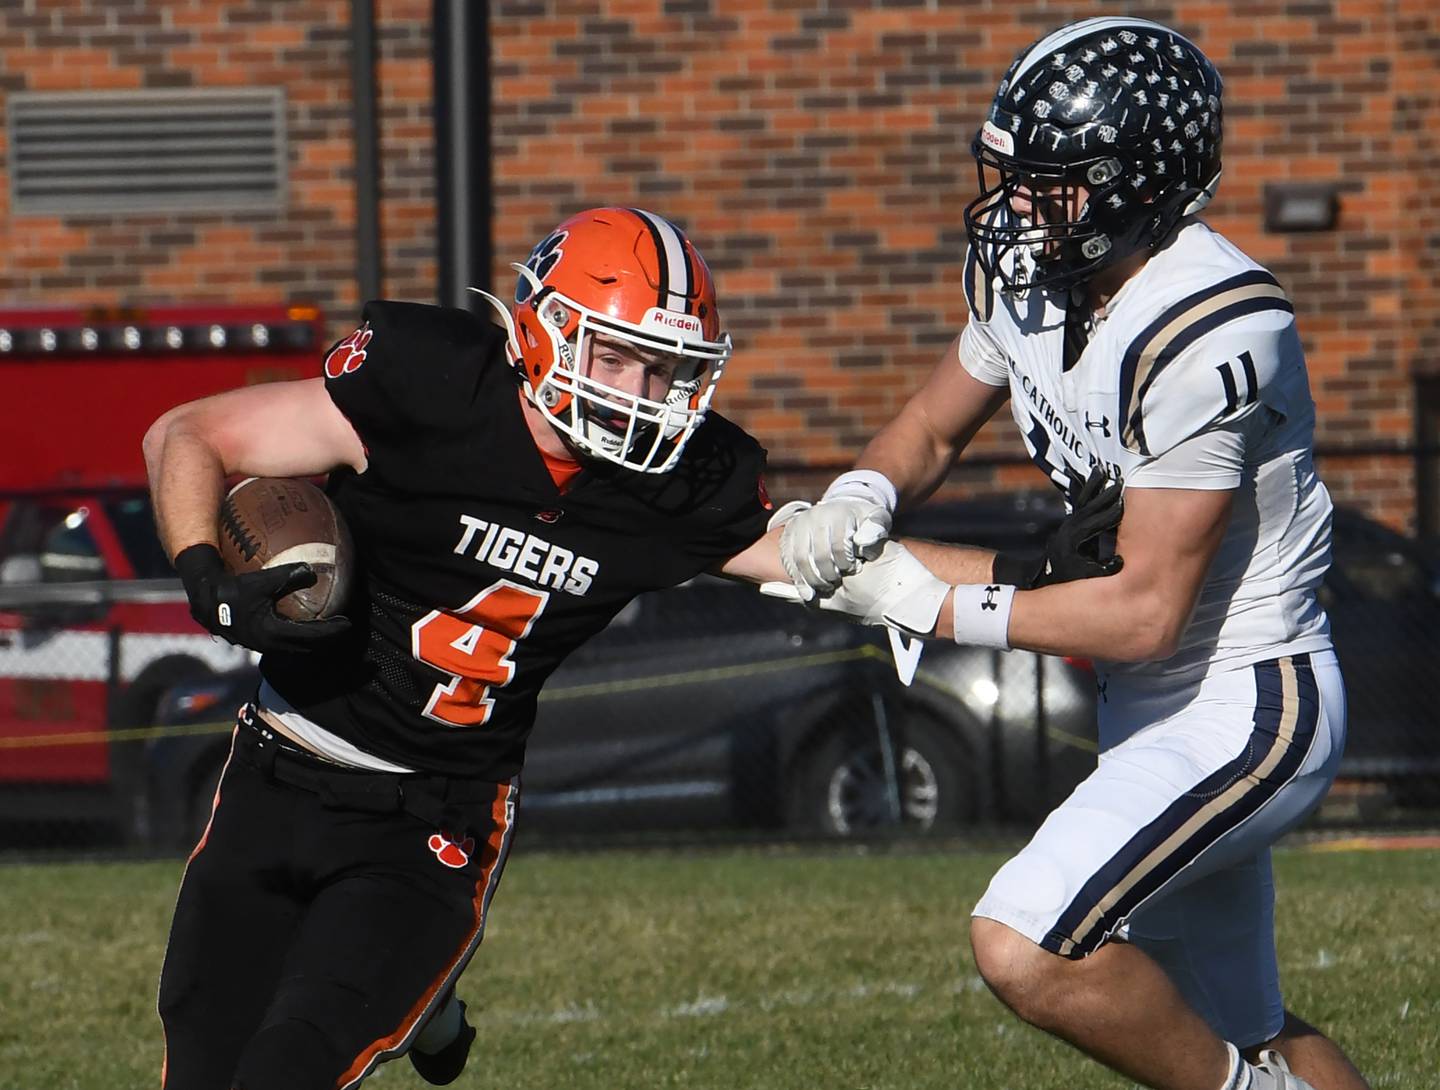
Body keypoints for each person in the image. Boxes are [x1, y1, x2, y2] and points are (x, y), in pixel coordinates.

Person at [144, 204, 1120, 1090]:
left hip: (432, 814)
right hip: (284, 767)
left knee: (289, 1064)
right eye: (620, 357)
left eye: (668, 368)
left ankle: (411, 971)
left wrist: (1028, 569)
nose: (647, 392)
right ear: (544, 329)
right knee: (202, 1065)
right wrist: (203, 573)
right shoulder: (431, 382)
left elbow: (849, 569)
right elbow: (189, 434)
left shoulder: (672, 487)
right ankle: (428, 1001)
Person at [771, 17, 1371, 1090]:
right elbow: (932, 427)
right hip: (1151, 709)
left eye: (1049, 184)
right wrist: (864, 491)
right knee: (1251, 1020)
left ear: (1135, 183)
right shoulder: (1033, 277)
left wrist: (928, 602)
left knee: (1026, 933)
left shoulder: (1208, 321)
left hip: (1248, 698)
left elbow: (1145, 611)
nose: (1016, 208)